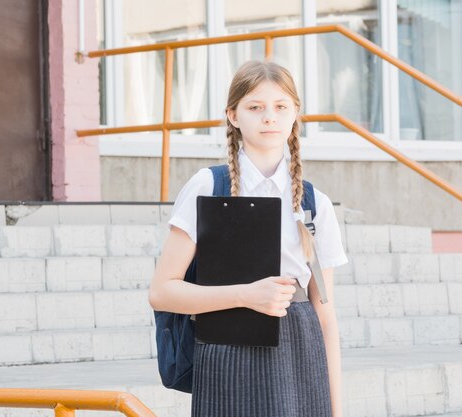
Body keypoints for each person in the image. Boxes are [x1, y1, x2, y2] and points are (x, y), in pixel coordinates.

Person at [148, 59, 348, 417]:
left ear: (295, 114)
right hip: (228, 353)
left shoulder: (315, 203)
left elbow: (325, 314)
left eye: (280, 106)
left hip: (302, 356)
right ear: (233, 115)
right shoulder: (209, 186)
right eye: (255, 107)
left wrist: (336, 409)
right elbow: (161, 292)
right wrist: (246, 295)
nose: (269, 117)